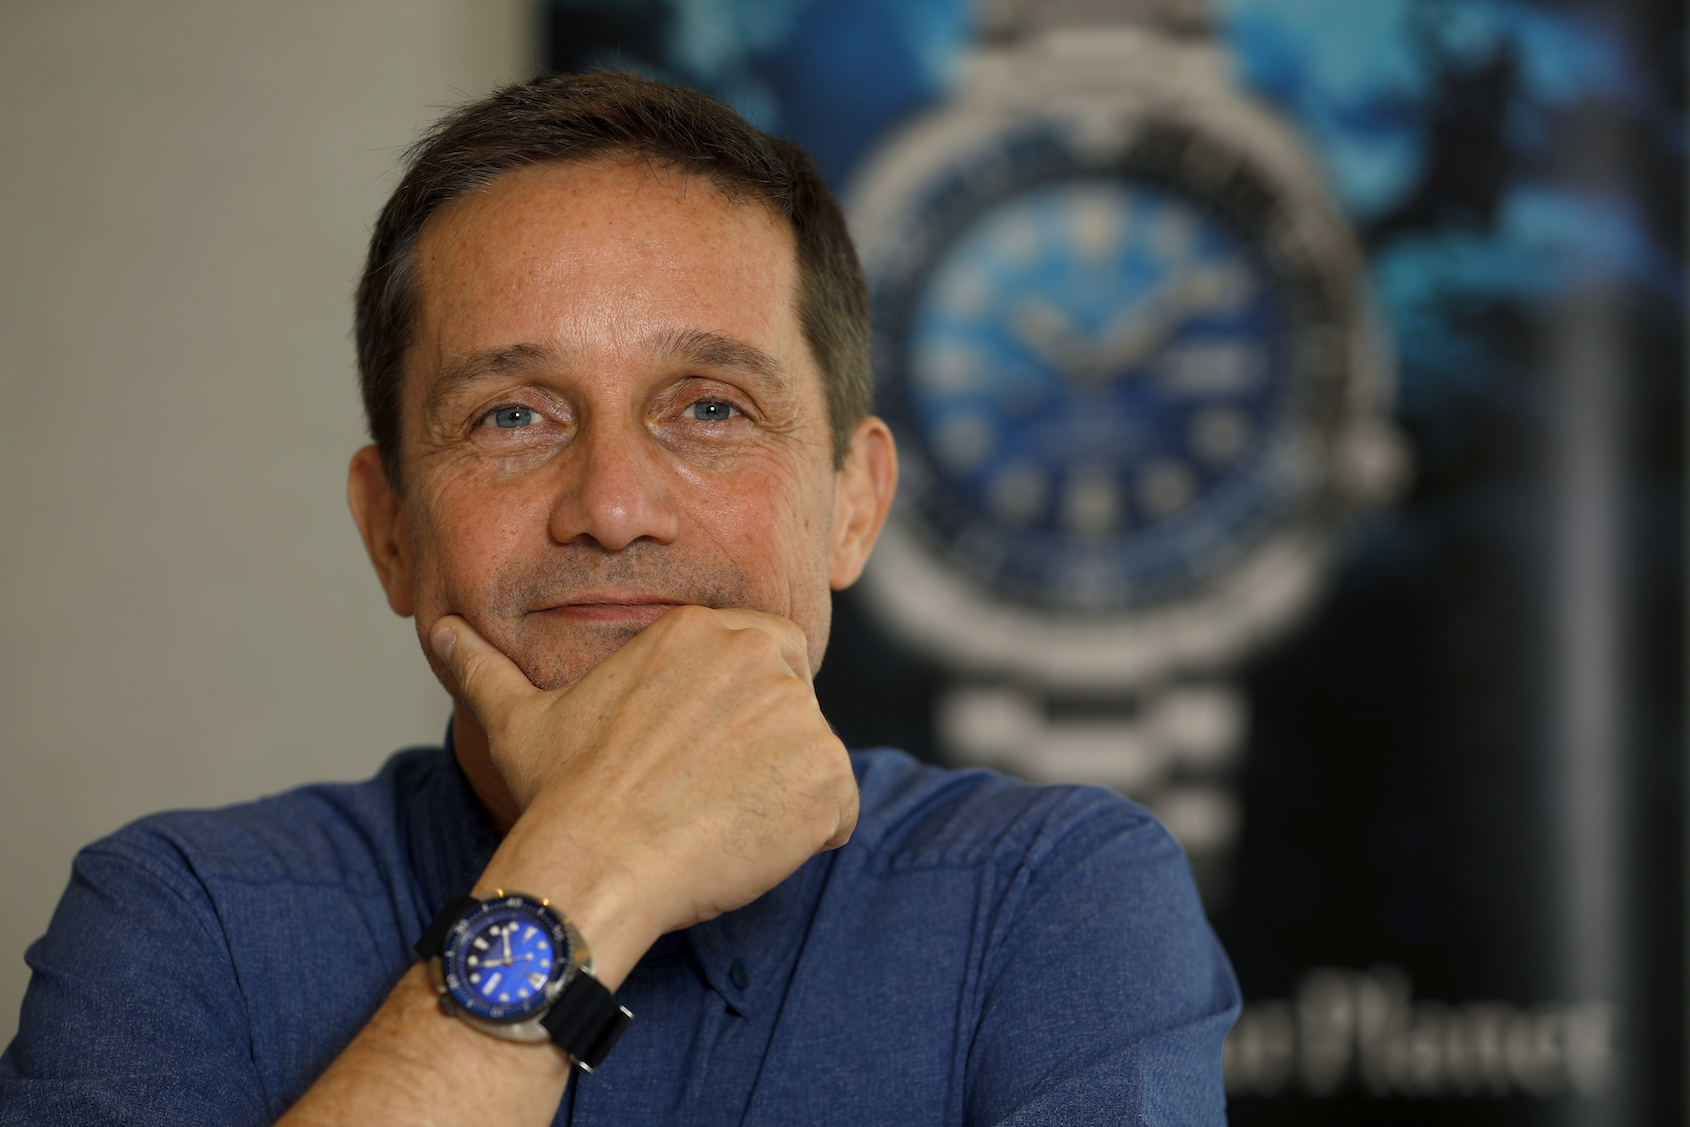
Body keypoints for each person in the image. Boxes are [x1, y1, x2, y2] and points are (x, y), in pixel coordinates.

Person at [0, 72, 1238, 1125]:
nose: (611, 505)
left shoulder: (1055, 894)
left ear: (853, 505)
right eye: (512, 414)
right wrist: (590, 865)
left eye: (710, 406)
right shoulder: (183, 917)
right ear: (391, 531)